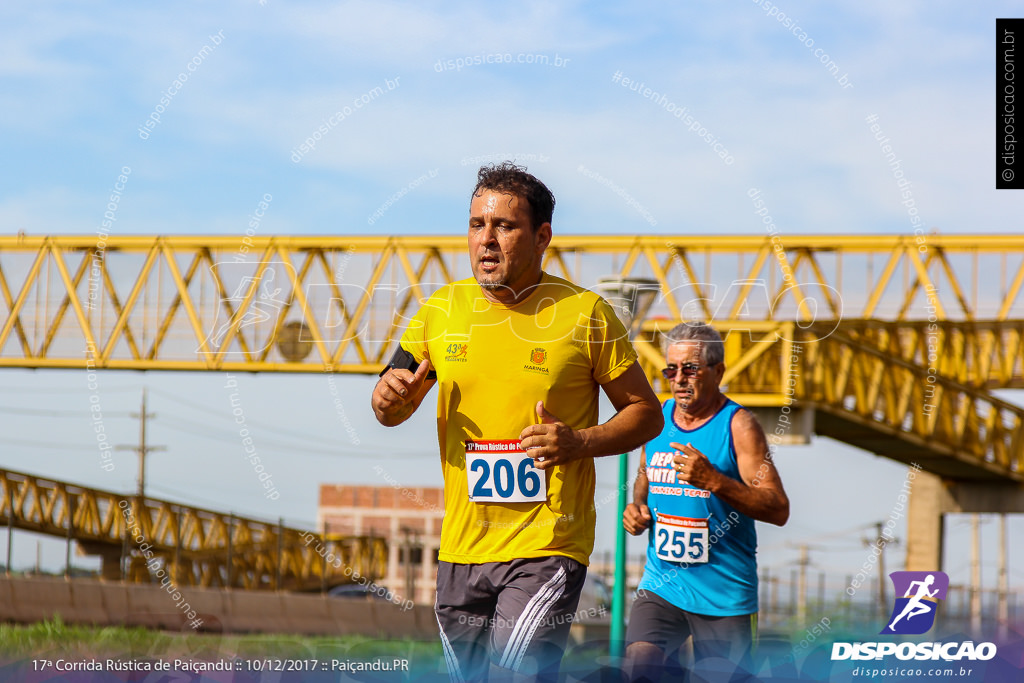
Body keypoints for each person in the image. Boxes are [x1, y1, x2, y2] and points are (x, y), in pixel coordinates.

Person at [371, 162, 664, 681]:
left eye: (504, 226)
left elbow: (646, 414)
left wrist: (579, 441)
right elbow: (388, 400)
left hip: (546, 545)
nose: (486, 240)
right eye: (476, 224)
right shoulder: (440, 311)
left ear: (542, 235)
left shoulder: (585, 314)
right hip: (462, 547)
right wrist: (388, 401)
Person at [623, 322, 790, 683]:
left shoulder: (739, 426)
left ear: (717, 372)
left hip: (724, 595)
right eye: (671, 369)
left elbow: (778, 508)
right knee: (639, 668)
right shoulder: (657, 418)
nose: (679, 378)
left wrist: (714, 480)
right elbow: (644, 473)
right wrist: (637, 506)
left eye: (690, 369)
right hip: (663, 585)